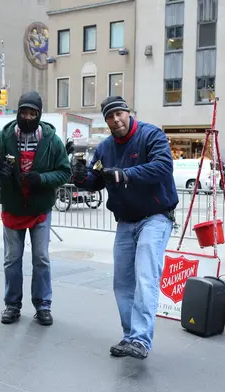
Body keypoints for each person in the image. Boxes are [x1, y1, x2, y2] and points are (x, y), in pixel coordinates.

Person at [72, 96, 178, 360]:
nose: (116, 119)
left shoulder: (150, 135)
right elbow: (95, 179)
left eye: (119, 113)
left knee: (145, 276)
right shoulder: (106, 147)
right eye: (110, 116)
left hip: (155, 216)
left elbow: (163, 167)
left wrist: (125, 174)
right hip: (126, 221)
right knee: (122, 283)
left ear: (128, 113)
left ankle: (141, 340)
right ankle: (131, 336)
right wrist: (80, 177)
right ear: (106, 120)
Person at [0, 91, 71, 326]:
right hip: (12, 207)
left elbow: (64, 172)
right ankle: (12, 305)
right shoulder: (2, 138)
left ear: (39, 115)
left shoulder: (52, 140)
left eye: (33, 113)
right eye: (24, 112)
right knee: (12, 259)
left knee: (41, 258)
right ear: (18, 112)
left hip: (40, 209)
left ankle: (43, 305)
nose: (28, 117)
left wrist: (41, 179)